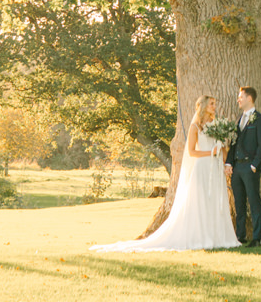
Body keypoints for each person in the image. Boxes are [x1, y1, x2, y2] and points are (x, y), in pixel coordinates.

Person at [90, 95, 240, 252]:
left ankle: (218, 236)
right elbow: (192, 152)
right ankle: (201, 236)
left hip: (214, 168)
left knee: (214, 201)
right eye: (211, 104)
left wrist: (222, 154)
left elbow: (222, 150)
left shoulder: (216, 125)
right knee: (201, 201)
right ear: (203, 106)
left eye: (214, 104)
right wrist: (210, 152)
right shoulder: (195, 127)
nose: (214, 106)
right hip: (202, 167)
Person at [226, 85, 261, 247]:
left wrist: (254, 165)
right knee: (239, 203)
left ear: (249, 98)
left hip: (250, 168)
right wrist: (229, 162)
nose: (238, 99)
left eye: (240, 97)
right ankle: (240, 236)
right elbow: (234, 143)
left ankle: (257, 238)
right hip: (237, 168)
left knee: (254, 201)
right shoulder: (239, 119)